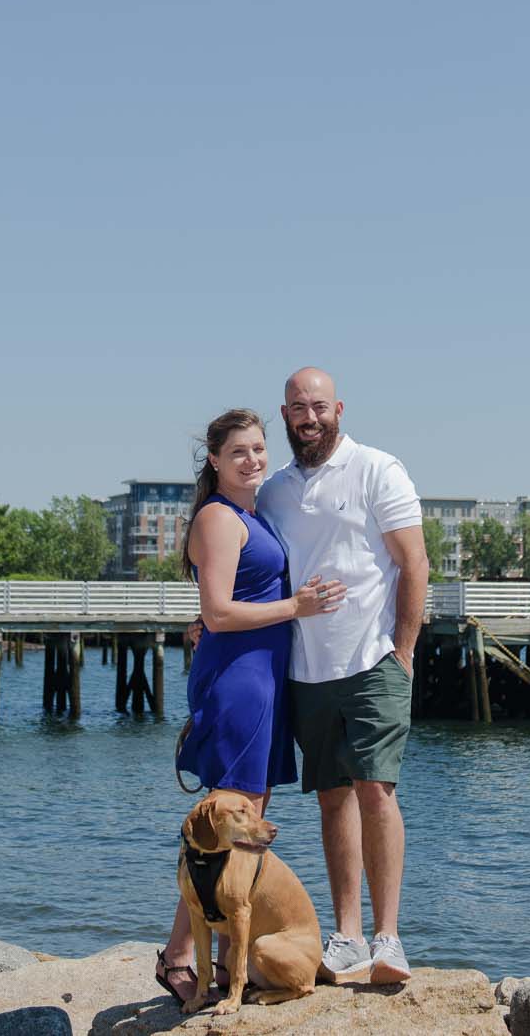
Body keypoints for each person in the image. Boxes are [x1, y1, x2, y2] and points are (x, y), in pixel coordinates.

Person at [157, 408, 345, 1005]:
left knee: (243, 819)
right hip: (238, 683)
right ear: (214, 460)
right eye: (239, 451)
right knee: (229, 821)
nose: (253, 459)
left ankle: (203, 956)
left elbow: (219, 607)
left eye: (260, 448)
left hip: (262, 679)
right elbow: (218, 613)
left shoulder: (249, 514)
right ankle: (182, 955)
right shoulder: (218, 517)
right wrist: (298, 608)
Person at [256, 367, 427, 985]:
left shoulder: (379, 469)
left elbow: (415, 564)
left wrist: (403, 652)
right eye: (298, 407)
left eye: (319, 405)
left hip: (372, 657)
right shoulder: (273, 491)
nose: (310, 417)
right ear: (284, 415)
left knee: (376, 789)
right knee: (332, 797)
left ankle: (389, 939)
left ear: (340, 409)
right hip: (307, 668)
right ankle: (348, 935)